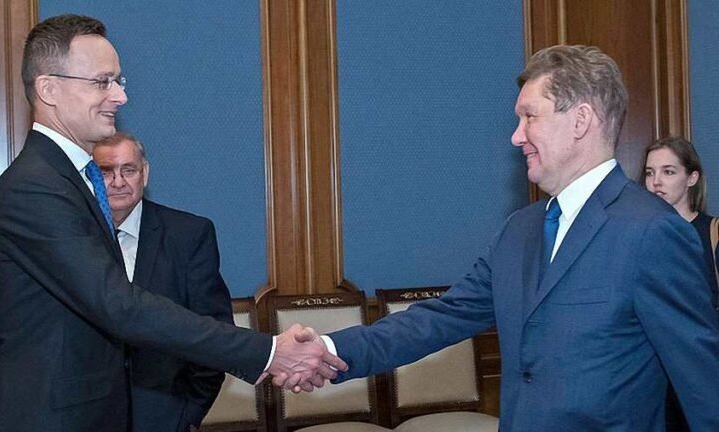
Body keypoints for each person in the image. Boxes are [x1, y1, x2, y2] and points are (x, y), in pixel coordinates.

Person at [299, 45, 719, 431]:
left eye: (529, 117)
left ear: (581, 120)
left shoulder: (653, 231)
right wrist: (329, 349)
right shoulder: (519, 229)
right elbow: (441, 317)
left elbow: (702, 382)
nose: (516, 136)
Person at [0, 14, 344, 432]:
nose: (119, 96)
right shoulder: (34, 189)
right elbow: (118, 305)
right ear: (49, 89)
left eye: (119, 81)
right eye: (102, 82)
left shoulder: (68, 179)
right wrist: (268, 352)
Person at [92, 132, 232, 431]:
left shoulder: (189, 235)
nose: (118, 182)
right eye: (106, 171)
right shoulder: (71, 237)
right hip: (87, 417)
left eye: (128, 170)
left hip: (164, 416)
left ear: (145, 174)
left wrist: (188, 413)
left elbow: (213, 331)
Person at [643, 136, 718, 432]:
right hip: (654, 381)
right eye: (649, 173)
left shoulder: (712, 233)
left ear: (692, 178)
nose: (656, 182)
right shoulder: (638, 237)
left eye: (669, 172)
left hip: (701, 377)